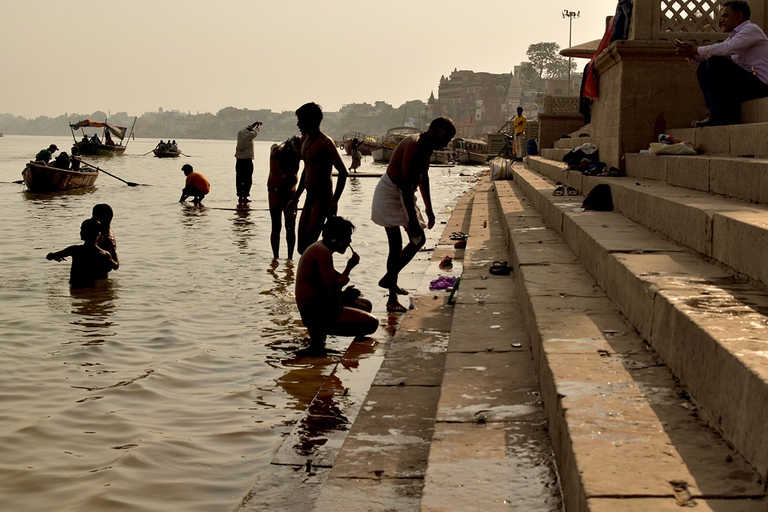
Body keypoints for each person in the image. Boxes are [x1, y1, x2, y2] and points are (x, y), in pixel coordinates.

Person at [371, 116, 456, 312]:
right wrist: (413, 222)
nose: (445, 145)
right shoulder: (414, 145)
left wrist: (429, 208)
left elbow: (422, 177)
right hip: (391, 193)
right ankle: (391, 297)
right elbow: (405, 185)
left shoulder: (427, 147)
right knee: (399, 244)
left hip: (405, 193)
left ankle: (389, 279)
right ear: (434, 131)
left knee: (418, 240)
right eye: (444, 139)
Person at [675, 1, 768, 126]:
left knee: (716, 62)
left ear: (739, 16)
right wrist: (691, 54)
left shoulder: (751, 30)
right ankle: (716, 113)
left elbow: (726, 48)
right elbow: (717, 52)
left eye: (725, 16)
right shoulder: (735, 35)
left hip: (761, 85)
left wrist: (696, 49)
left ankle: (721, 115)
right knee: (703, 68)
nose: (722, 20)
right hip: (749, 84)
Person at [295, 216, 379, 346]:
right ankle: (319, 333)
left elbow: (330, 282)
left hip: (320, 305)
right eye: (347, 238)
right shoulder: (322, 252)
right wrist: (349, 268)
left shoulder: (320, 248)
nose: (349, 241)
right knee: (372, 323)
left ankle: (319, 335)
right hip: (315, 311)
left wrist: (345, 295)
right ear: (337, 239)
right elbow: (332, 289)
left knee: (366, 305)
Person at [289, 102, 349, 255]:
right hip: (309, 198)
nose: (298, 124)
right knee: (301, 247)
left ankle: (321, 271)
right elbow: (306, 172)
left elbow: (343, 172)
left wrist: (334, 201)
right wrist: (295, 199)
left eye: (301, 120)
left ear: (312, 121)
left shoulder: (325, 143)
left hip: (323, 199)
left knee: (310, 244)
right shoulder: (305, 141)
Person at [46, 218, 119, 289]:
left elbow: (49, 257)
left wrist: (53, 255)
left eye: (82, 230)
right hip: (92, 289)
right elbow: (116, 266)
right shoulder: (104, 254)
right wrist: (114, 251)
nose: (80, 232)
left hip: (75, 287)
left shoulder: (75, 250)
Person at [268, 136, 302, 259]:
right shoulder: (278, 150)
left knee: (290, 227)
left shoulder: (298, 154)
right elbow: (274, 148)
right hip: (274, 192)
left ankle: (290, 258)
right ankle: (275, 257)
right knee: (276, 226)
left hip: (290, 194)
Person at [234, 121, 263, 204]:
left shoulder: (240, 134)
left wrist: (254, 124)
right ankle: (245, 196)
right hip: (247, 160)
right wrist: (258, 126)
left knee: (239, 178)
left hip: (239, 159)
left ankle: (240, 196)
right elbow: (256, 132)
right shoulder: (250, 136)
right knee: (248, 179)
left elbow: (247, 128)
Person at [92, 203, 118, 280]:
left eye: (94, 216)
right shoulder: (102, 234)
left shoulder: (107, 238)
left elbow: (116, 265)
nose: (92, 219)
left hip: (100, 278)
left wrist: (108, 257)